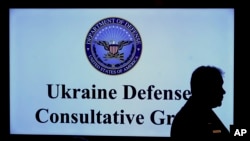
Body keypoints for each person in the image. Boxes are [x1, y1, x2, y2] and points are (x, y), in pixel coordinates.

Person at [170, 65, 230, 139]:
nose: (223, 91)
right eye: (218, 86)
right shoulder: (192, 120)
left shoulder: (199, 113)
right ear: (207, 89)